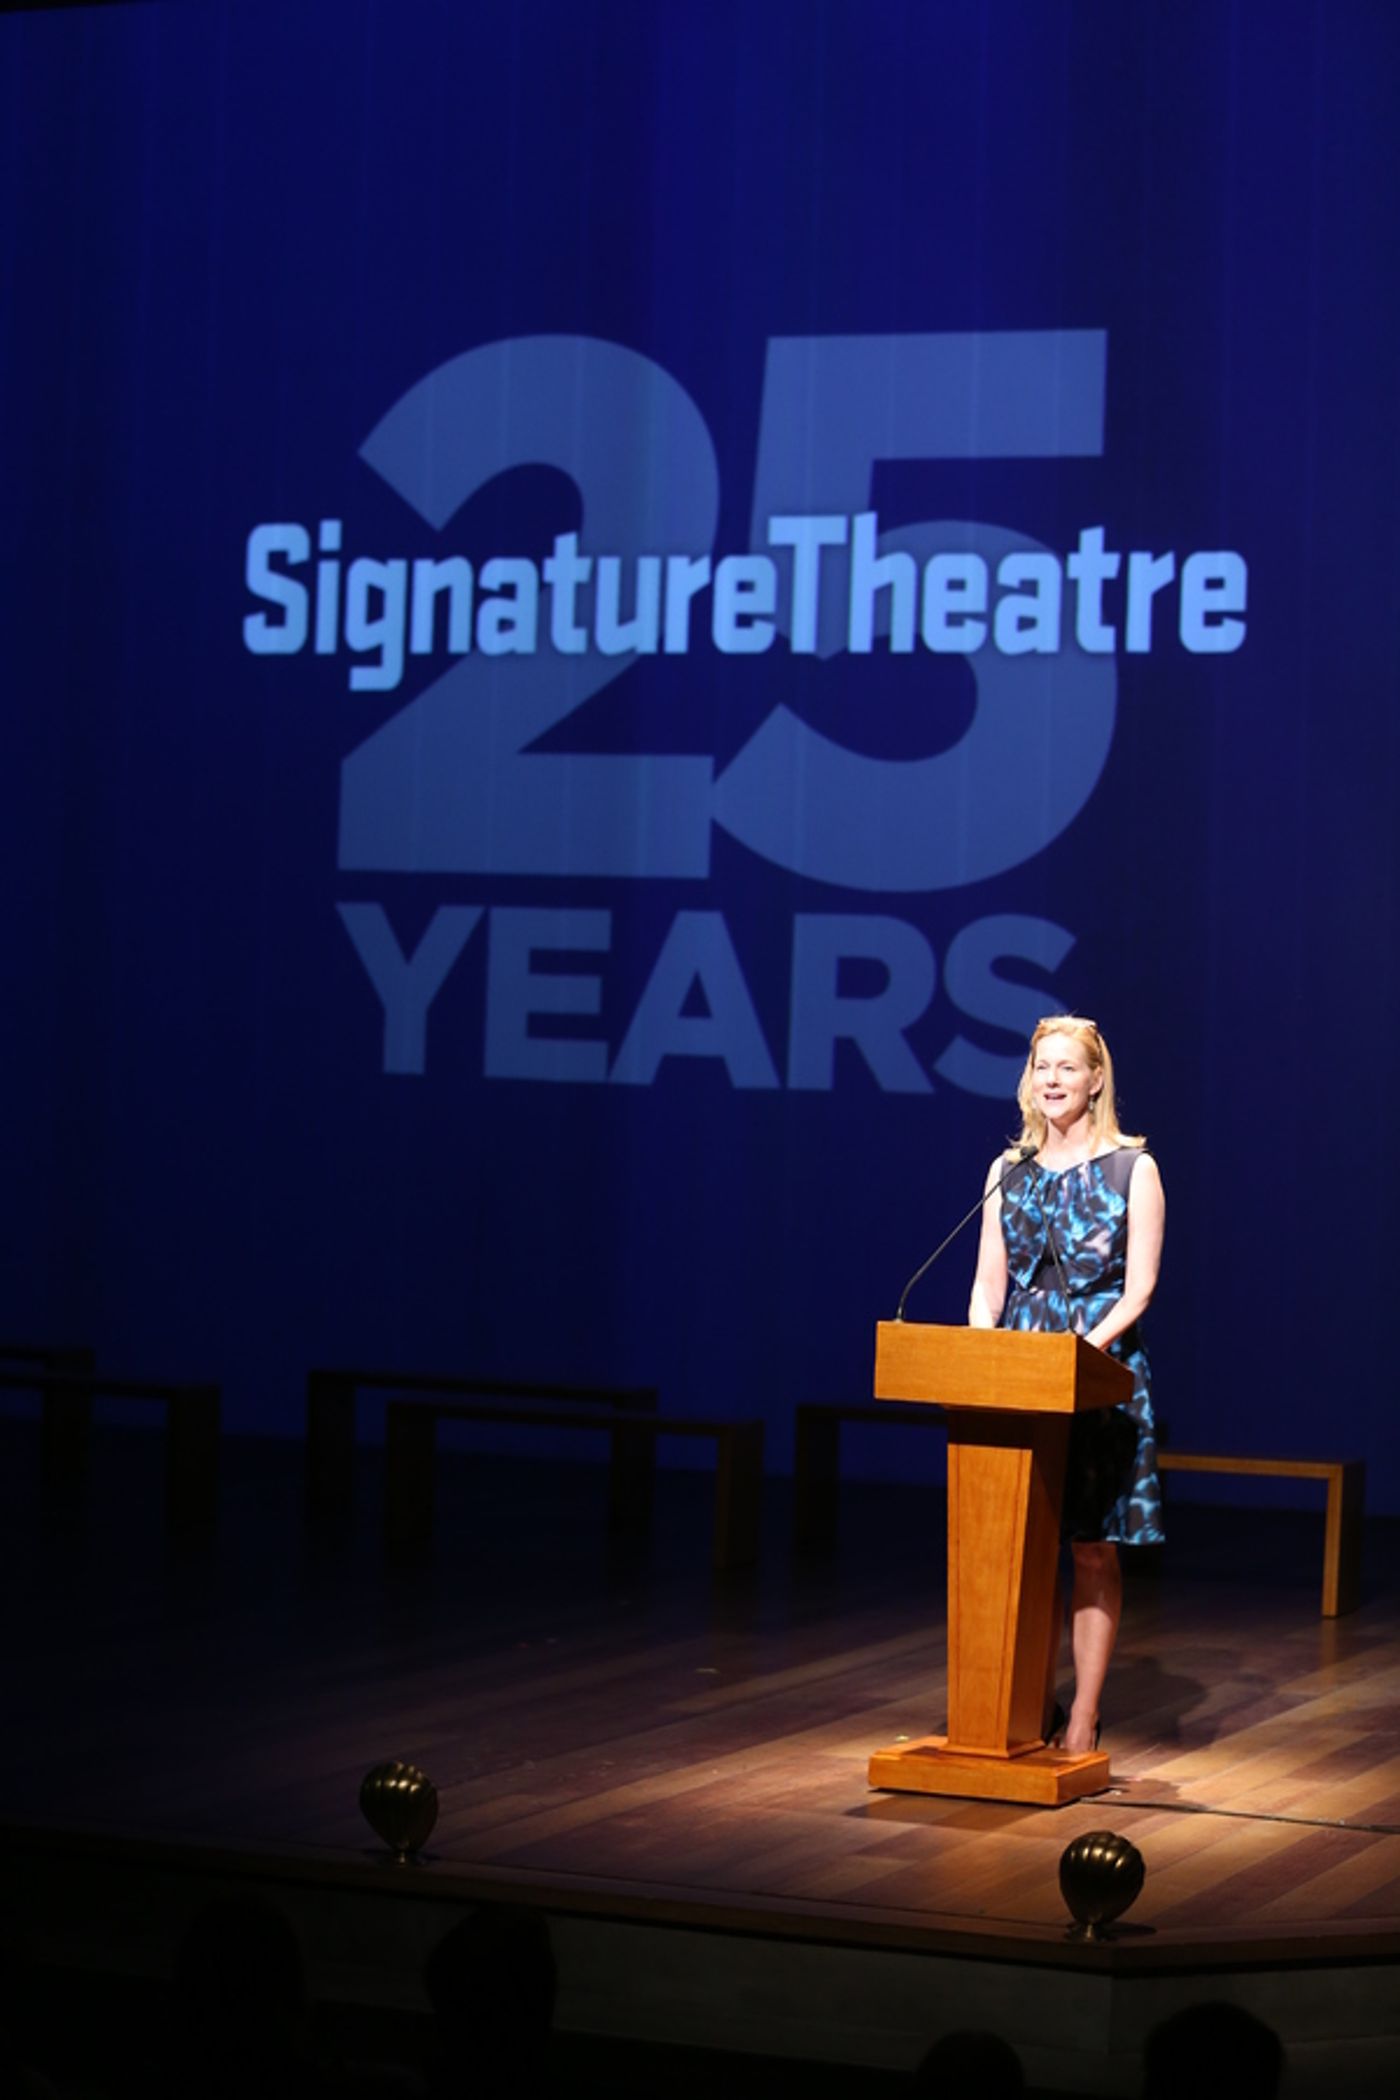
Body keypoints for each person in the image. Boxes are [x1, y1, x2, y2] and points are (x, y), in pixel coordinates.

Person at [968, 1014, 1165, 1756]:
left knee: (1090, 1548)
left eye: (1067, 1068)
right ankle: (1018, 1704)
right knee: (1020, 1549)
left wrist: (1077, 1355)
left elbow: (1139, 1289)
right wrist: (986, 1357)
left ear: (1095, 1080)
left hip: (1098, 1377)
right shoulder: (1006, 1171)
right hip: (1018, 1376)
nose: (1052, 1080)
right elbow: (988, 1288)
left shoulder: (1132, 1168)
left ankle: (1083, 1713)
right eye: (1041, 1067)